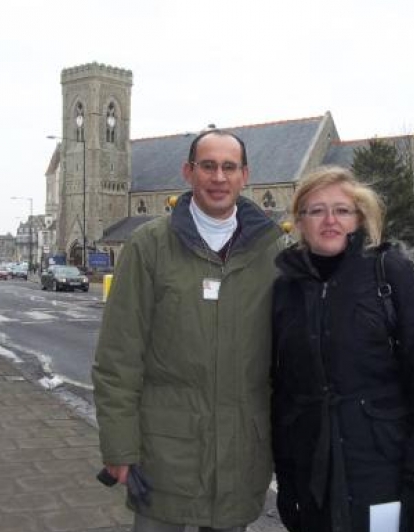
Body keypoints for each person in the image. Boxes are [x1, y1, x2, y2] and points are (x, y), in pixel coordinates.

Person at [92, 130, 284, 532]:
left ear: (244, 176)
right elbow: (117, 359)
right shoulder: (148, 246)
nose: (219, 177)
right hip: (164, 457)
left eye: (229, 167)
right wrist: (120, 446)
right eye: (208, 166)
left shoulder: (273, 252)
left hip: (240, 456)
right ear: (188, 172)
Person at [271, 167, 414, 532]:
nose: (330, 220)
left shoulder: (389, 273)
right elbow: (284, 394)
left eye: (342, 210)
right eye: (316, 211)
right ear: (299, 221)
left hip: (388, 472)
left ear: (359, 218)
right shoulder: (286, 290)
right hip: (316, 481)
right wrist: (288, 480)